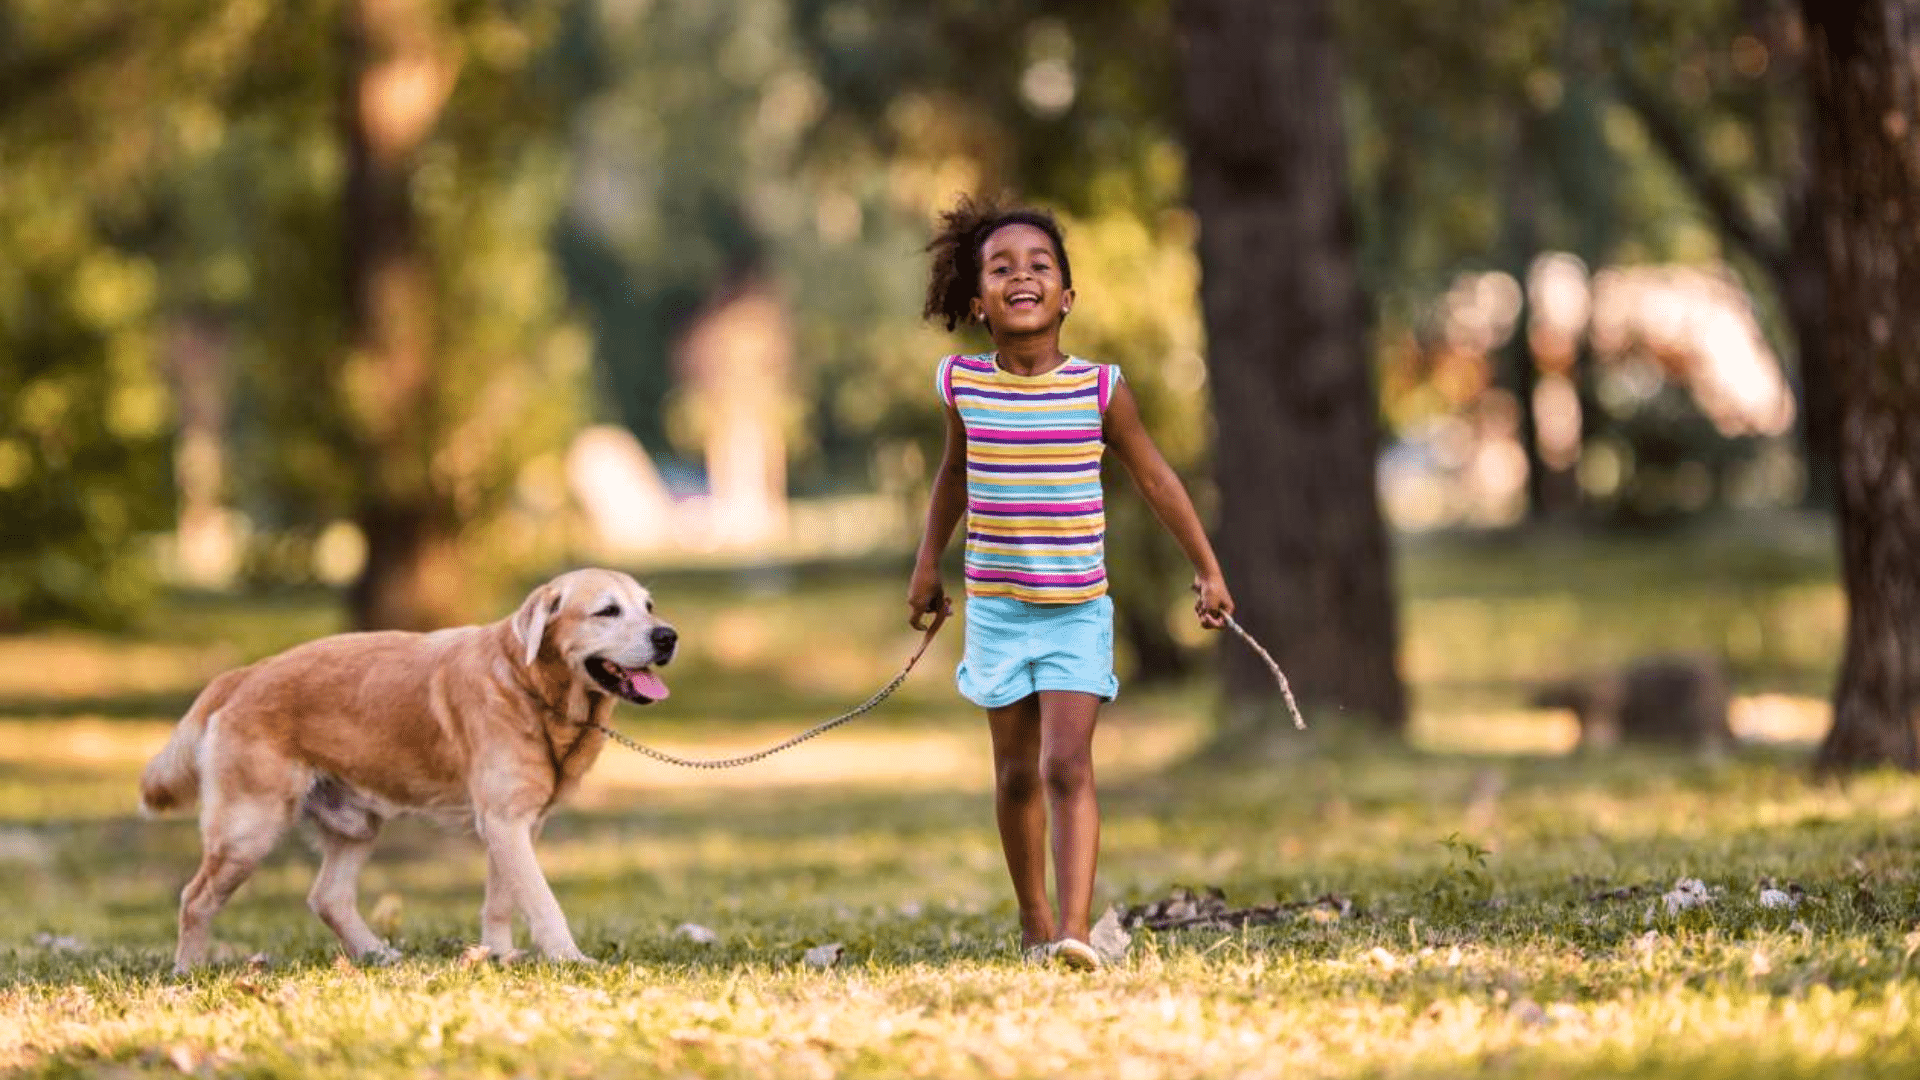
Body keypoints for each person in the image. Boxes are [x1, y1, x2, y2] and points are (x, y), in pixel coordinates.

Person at [907, 194, 1235, 970]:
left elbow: (1155, 479)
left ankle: (1074, 935)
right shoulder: (963, 386)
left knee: (1067, 763)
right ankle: (1034, 921)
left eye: (1040, 265)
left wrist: (1207, 567)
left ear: (1067, 296)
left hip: (1076, 609)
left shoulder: (1098, 389)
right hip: (994, 608)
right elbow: (954, 477)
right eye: (1001, 268)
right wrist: (927, 564)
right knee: (1016, 772)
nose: (1022, 276)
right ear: (979, 299)